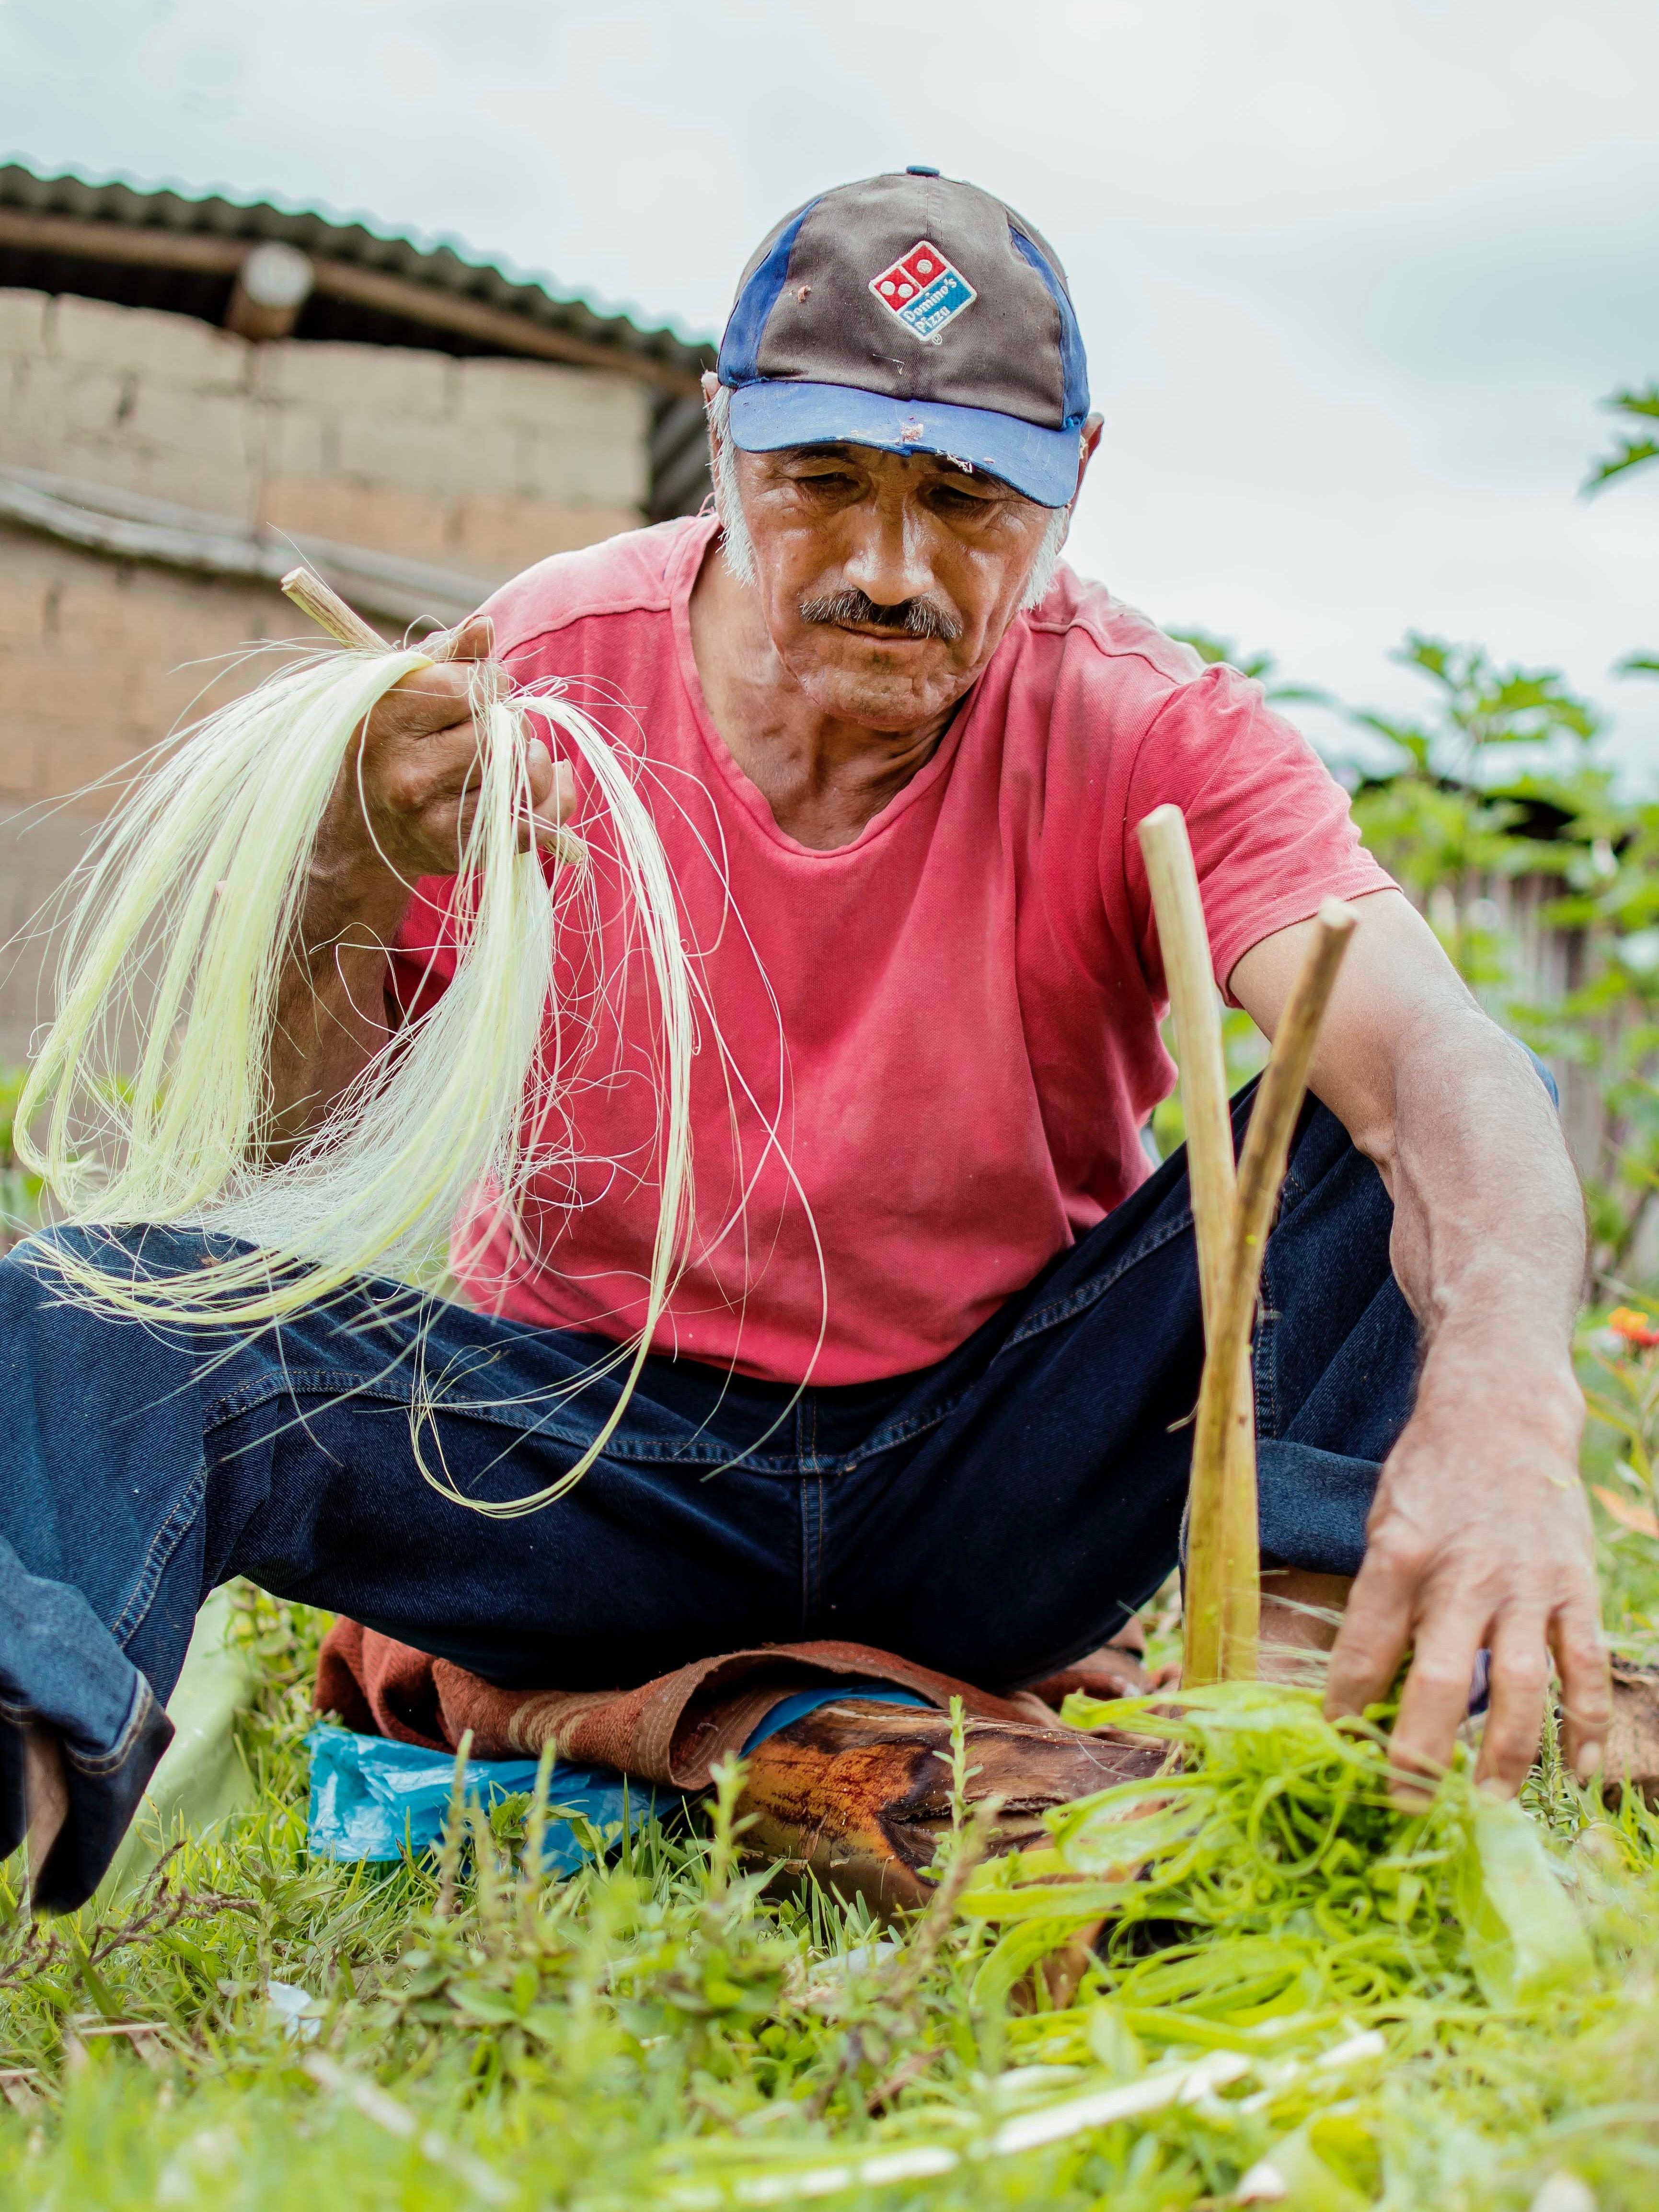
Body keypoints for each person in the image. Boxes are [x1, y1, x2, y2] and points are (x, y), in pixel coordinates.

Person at [1, 168, 1606, 1910]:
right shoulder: (535, 673)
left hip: (990, 1483)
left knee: (1412, 1132)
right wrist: (348, 866)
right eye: (824, 484)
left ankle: (1315, 1746)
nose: (891, 568)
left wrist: (1511, 1416)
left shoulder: (1148, 725)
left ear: (1074, 489)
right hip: (590, 1466)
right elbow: (291, 1167)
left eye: (972, 501)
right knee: (90, 1324)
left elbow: (1438, 1055)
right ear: (721, 443)